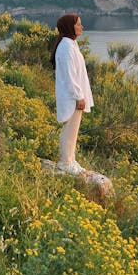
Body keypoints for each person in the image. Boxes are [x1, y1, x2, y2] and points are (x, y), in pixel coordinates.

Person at [50, 13, 94, 175]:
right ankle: (65, 163)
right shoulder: (67, 47)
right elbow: (70, 75)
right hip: (72, 96)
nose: (81, 27)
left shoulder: (70, 44)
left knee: (73, 129)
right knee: (70, 129)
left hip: (73, 94)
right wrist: (79, 96)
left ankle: (70, 159)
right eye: (78, 24)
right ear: (70, 27)